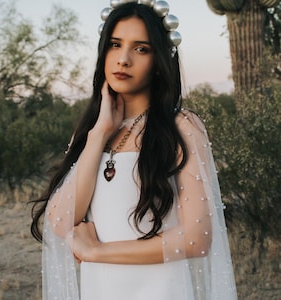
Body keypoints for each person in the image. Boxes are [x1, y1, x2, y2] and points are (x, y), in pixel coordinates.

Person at [30, 1, 237, 299]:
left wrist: (97, 251)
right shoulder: (91, 132)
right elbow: (60, 222)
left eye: (141, 48)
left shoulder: (181, 127)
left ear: (159, 62)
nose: (123, 59)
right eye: (115, 45)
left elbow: (196, 238)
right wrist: (99, 134)